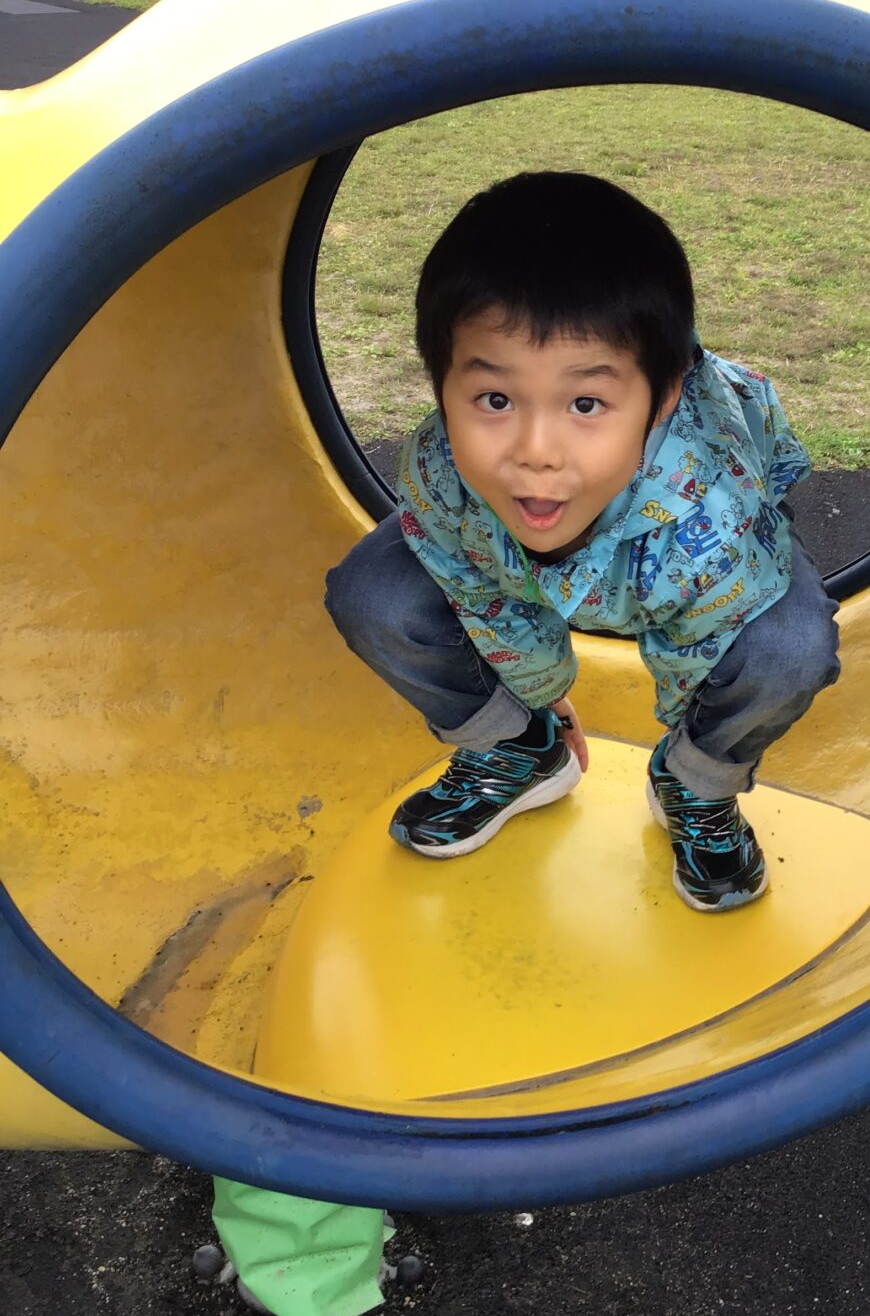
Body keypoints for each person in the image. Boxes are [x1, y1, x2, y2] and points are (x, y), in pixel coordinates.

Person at [324, 169, 842, 912]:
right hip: (519, 565)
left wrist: (689, 734)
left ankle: (695, 786)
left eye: (586, 403)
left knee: (786, 650)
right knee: (375, 592)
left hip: (691, 554)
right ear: (440, 386)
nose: (536, 452)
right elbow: (467, 581)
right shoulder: (442, 474)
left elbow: (705, 634)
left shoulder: (709, 518)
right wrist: (538, 696)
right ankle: (519, 751)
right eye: (495, 398)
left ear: (660, 399)